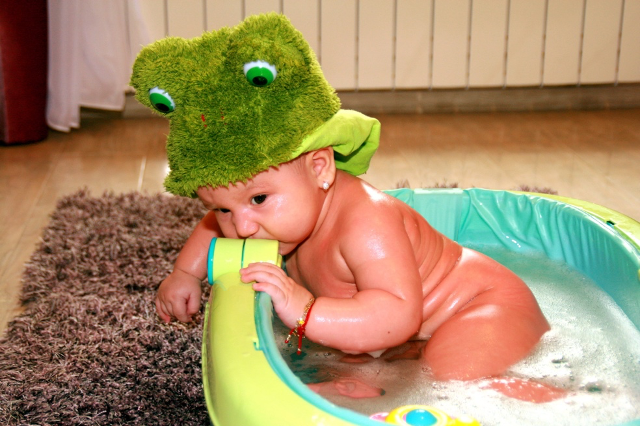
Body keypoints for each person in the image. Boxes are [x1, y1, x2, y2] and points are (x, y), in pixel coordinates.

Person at [131, 13, 550, 386]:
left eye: (258, 199)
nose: (241, 227)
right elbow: (210, 227)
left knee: (450, 377)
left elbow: (398, 315)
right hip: (406, 332)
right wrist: (185, 273)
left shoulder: (367, 221)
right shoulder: (262, 214)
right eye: (223, 208)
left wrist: (304, 309)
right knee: (349, 375)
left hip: (481, 309)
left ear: (320, 168)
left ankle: (553, 400)